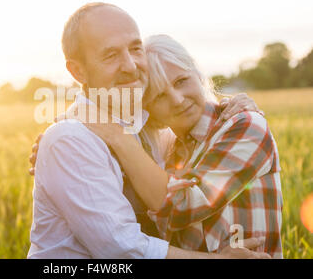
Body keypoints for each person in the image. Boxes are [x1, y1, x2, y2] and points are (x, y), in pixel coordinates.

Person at [27, 2, 269, 259]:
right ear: (78, 71)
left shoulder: (153, 133)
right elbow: (119, 248)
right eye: (110, 55)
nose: (130, 66)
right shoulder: (70, 139)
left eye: (135, 48)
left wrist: (231, 105)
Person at [78, 34, 283, 258]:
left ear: (197, 73)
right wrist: (70, 144)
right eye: (159, 96)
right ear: (147, 108)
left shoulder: (245, 125)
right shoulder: (167, 148)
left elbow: (181, 207)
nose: (177, 100)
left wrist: (118, 136)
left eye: (181, 81)